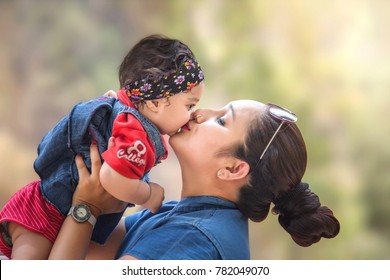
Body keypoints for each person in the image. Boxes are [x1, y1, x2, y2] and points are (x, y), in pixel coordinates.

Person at [48, 100, 340, 260]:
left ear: (233, 169)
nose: (201, 113)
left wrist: (85, 206)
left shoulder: (192, 240)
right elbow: (86, 253)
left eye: (222, 120)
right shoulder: (176, 214)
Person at [0, 34, 205, 259]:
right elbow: (111, 177)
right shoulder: (136, 136)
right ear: (155, 102)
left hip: (47, 208)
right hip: (44, 216)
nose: (192, 114)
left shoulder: (120, 107)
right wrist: (148, 195)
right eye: (189, 105)